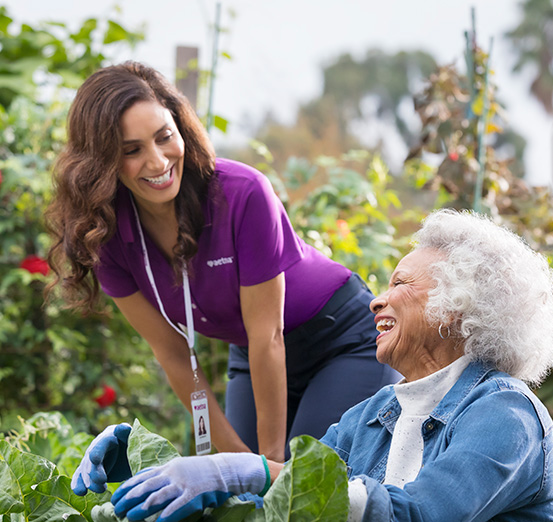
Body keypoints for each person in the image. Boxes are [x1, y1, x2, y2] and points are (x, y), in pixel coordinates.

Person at [94, 209, 553, 522]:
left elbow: (419, 514)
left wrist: (250, 470)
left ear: (457, 306)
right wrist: (146, 457)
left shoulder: (505, 414)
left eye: (400, 283)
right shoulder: (374, 415)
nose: (375, 300)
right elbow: (292, 496)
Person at [46, 60, 400, 467]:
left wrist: (266, 465)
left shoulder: (242, 193)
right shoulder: (104, 235)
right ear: (102, 161)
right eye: (132, 151)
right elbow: (173, 353)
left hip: (339, 340)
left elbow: (269, 334)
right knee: (239, 491)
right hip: (252, 353)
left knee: (303, 487)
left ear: (180, 128)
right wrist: (239, 465)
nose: (159, 162)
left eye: (164, 137)